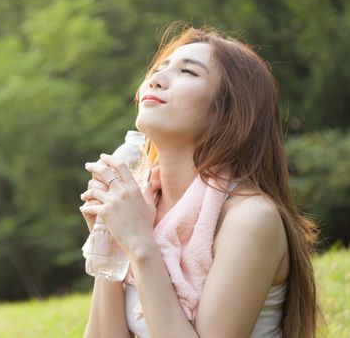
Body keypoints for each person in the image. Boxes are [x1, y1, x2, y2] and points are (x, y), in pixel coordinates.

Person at [79, 24, 325, 338]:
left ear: (229, 113)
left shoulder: (250, 218)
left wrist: (140, 243)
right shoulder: (144, 206)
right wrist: (113, 241)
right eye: (157, 69)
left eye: (188, 72)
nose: (155, 79)